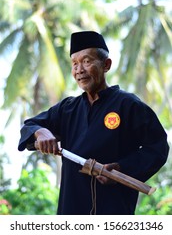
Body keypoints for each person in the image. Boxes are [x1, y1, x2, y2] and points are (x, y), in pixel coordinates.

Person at [18, 31, 169, 215]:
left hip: (113, 213)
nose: (79, 69)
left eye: (87, 61)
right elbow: (30, 125)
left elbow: (158, 146)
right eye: (74, 63)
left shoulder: (128, 105)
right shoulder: (67, 109)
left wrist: (123, 168)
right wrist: (41, 132)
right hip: (71, 213)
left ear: (106, 65)